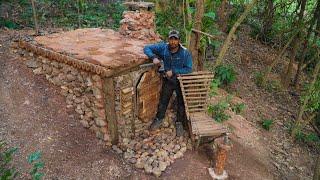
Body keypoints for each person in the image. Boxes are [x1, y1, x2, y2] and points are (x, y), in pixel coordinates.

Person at [143, 30, 193, 136]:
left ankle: (179, 123)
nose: (173, 42)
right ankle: (159, 119)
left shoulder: (185, 52)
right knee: (163, 100)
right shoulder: (163, 47)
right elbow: (146, 48)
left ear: (179, 40)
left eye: (175, 39)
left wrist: (174, 71)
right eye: (171, 39)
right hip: (168, 81)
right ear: (168, 39)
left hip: (181, 81)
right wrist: (153, 57)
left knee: (181, 102)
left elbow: (189, 69)